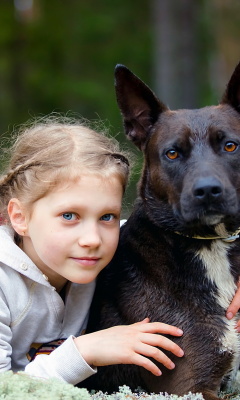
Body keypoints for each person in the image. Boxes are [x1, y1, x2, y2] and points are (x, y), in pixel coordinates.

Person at [0, 116, 185, 385]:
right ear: (20, 217)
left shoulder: (116, 246)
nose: (92, 239)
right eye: (69, 216)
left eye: (107, 217)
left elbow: (190, 240)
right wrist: (86, 351)